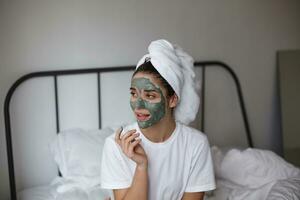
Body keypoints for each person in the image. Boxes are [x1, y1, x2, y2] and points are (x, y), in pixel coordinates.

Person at [101, 39, 216, 200]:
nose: (138, 105)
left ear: (172, 100)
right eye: (134, 93)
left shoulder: (196, 144)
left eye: (150, 95)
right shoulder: (116, 145)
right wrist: (141, 166)